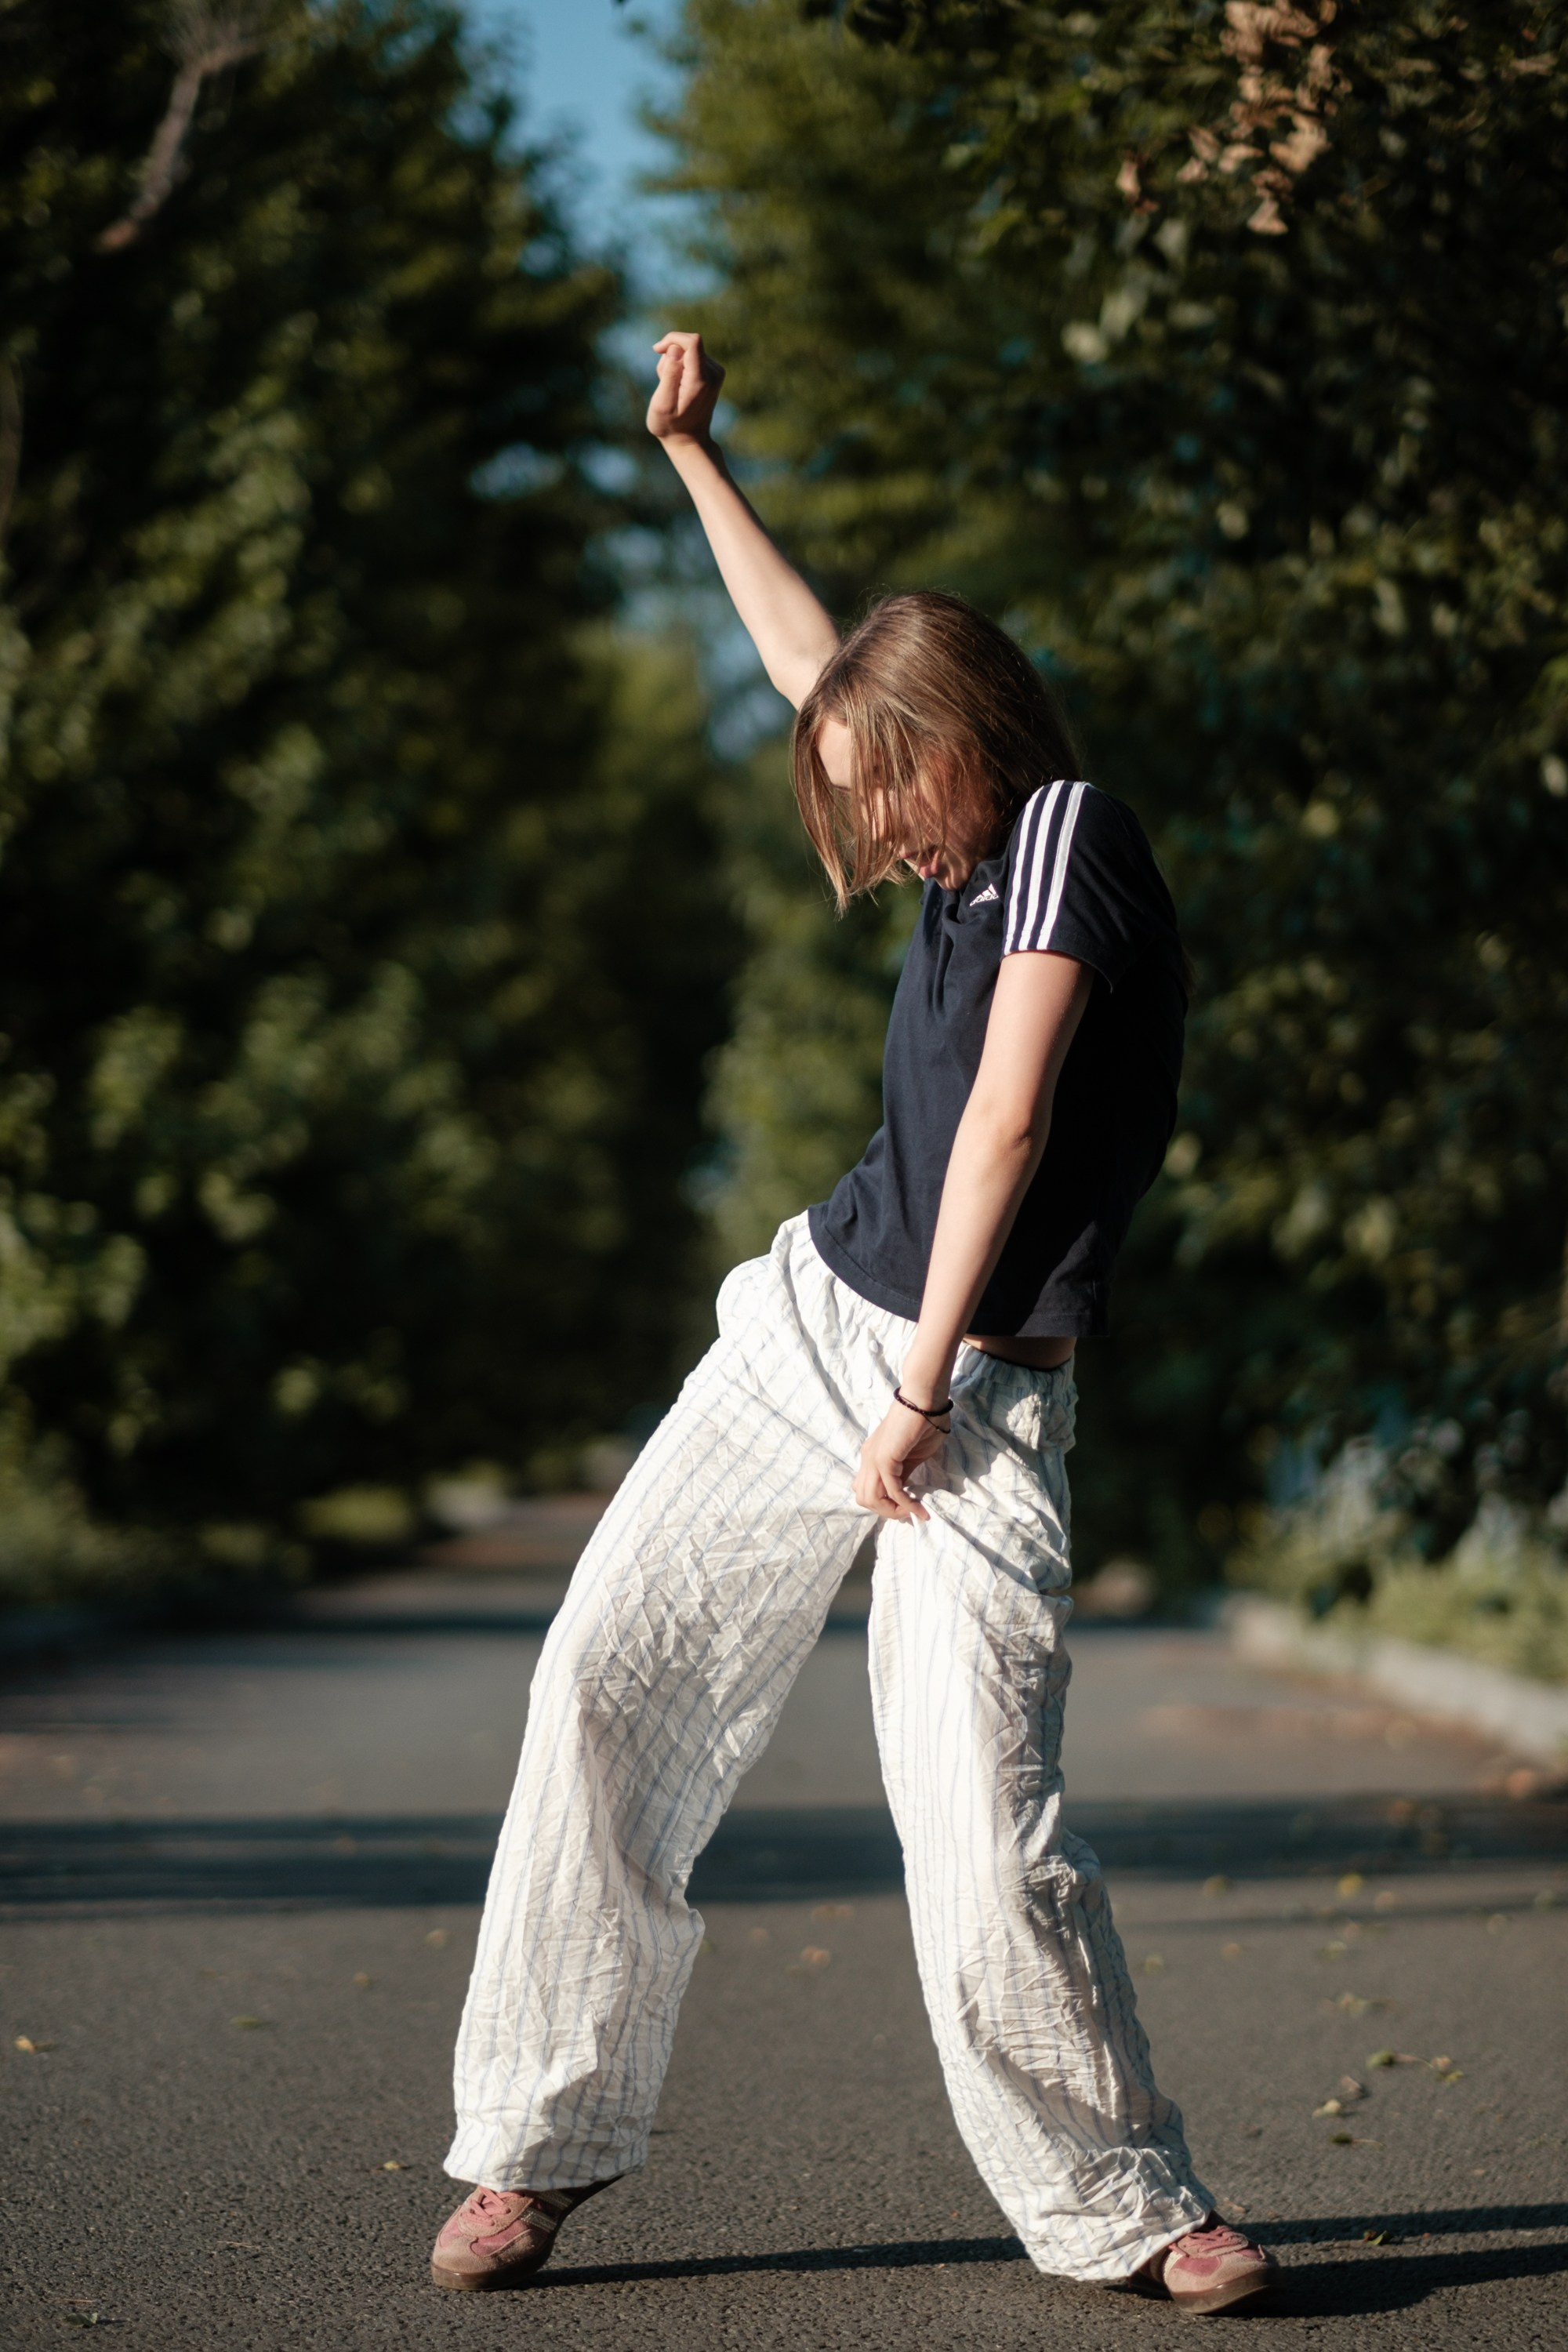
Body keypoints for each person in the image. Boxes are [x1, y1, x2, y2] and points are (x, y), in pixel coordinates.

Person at [429, 332, 1279, 2318]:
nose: (881, 828)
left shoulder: (1067, 832)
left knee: (983, 1834)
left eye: (891, 786)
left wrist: (918, 1392)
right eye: (856, 794)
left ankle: (1129, 2201)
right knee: (604, 1678)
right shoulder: (960, 831)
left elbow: (1007, 1123)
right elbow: (813, 662)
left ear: (967, 734)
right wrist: (696, 459)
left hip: (960, 1395)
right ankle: (530, 2147)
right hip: (817, 1329)